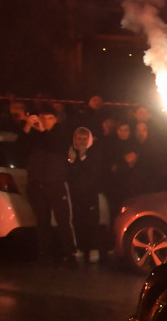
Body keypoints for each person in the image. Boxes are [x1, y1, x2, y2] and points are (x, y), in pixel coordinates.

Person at [20, 105, 75, 263]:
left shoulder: (60, 134)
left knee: (62, 220)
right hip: (37, 184)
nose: (45, 121)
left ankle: (69, 254)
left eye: (49, 118)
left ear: (55, 119)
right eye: (43, 118)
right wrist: (28, 126)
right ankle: (44, 254)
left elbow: (56, 146)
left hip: (55, 183)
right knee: (42, 221)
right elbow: (20, 147)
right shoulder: (34, 135)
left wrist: (43, 131)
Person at [66, 126, 107, 262]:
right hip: (75, 195)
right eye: (79, 139)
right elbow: (70, 175)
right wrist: (71, 161)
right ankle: (82, 248)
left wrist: (83, 156)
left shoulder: (94, 153)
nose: (82, 142)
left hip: (90, 194)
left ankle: (94, 249)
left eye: (84, 139)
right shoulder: (70, 153)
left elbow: (94, 173)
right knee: (78, 221)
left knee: (92, 221)